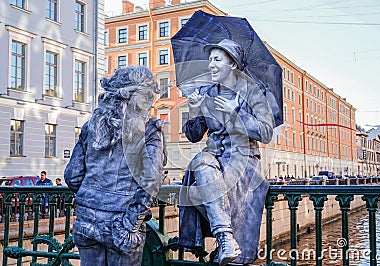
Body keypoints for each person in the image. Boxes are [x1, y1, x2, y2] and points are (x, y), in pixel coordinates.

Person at [178, 39, 275, 265]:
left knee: (198, 186)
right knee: (200, 161)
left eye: (217, 59)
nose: (211, 64)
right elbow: (194, 136)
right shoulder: (205, 92)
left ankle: (227, 240)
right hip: (212, 157)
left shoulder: (254, 93)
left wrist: (236, 115)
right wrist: (193, 111)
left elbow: (266, 133)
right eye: (210, 59)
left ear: (232, 64)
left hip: (243, 159)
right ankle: (225, 238)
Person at [64, 66, 166, 266]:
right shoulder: (149, 129)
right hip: (122, 222)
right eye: (148, 95)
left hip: (86, 219)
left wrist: (91, 197)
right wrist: (132, 222)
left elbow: (72, 176)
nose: (151, 102)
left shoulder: (92, 125)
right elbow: (151, 181)